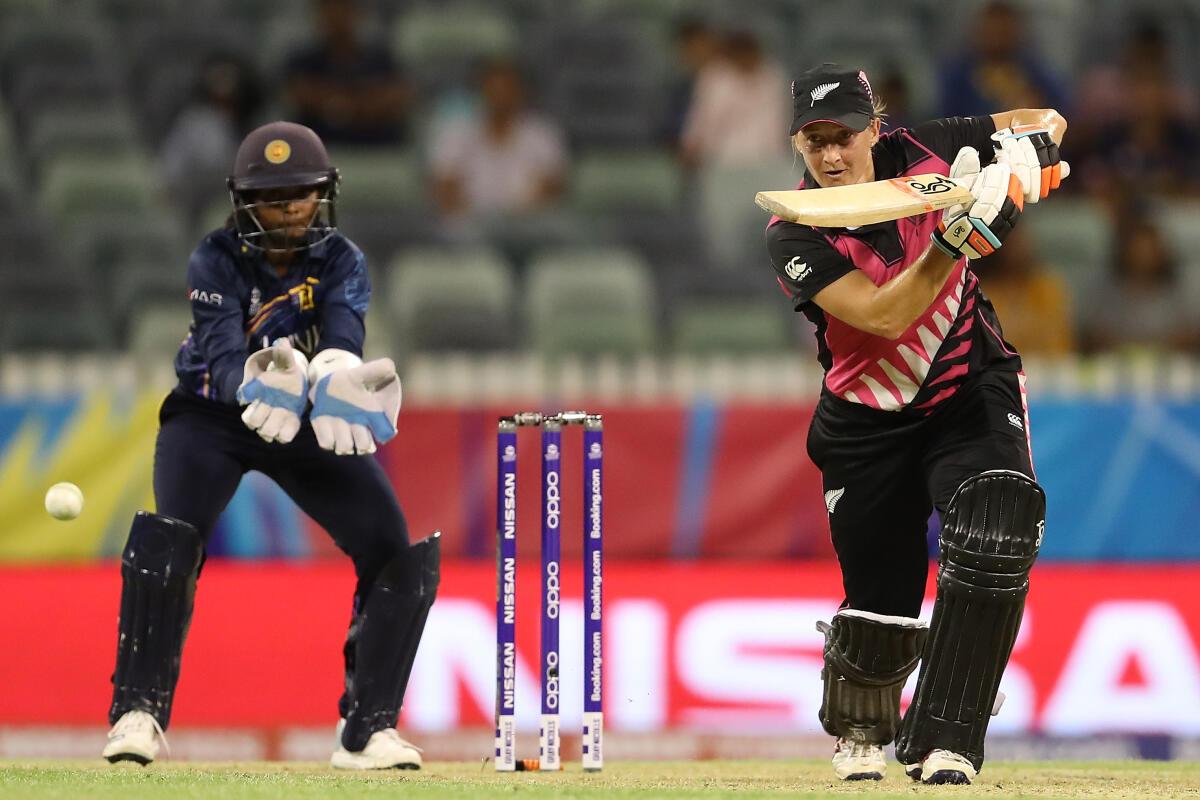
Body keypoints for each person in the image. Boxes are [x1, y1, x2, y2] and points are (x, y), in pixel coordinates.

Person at [101, 121, 440, 770]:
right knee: (172, 536)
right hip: (211, 415)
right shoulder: (214, 257)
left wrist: (337, 375)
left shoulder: (343, 259)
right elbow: (225, 358)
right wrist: (261, 383)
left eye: (304, 194)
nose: (291, 210)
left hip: (306, 416)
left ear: (324, 193)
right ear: (245, 202)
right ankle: (136, 715)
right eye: (275, 197)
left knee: (393, 550)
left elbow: (343, 334)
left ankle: (368, 732)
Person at [764, 64, 1067, 784]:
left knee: (996, 528)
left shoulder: (930, 149)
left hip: (969, 388)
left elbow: (1044, 120)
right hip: (865, 419)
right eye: (815, 141)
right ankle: (863, 728)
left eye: (844, 135)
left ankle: (949, 740)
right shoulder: (792, 231)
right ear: (797, 144)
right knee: (881, 596)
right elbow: (884, 317)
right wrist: (954, 246)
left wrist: (1033, 160)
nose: (832, 155)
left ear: (877, 126)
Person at [429, 58, 567, 219]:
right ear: (481, 90)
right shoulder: (456, 133)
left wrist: (518, 217)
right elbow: (444, 187)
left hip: (528, 224)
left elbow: (553, 188)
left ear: (521, 92)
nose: (500, 95)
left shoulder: (543, 133)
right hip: (468, 224)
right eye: (494, 88)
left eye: (508, 88)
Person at [284, 0, 411, 146]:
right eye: (330, 11)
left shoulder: (382, 59)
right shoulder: (303, 60)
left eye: (344, 10)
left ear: (357, 13)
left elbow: (396, 98)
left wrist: (335, 106)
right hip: (318, 151)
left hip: (377, 151)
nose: (337, 18)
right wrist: (364, 104)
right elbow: (300, 95)